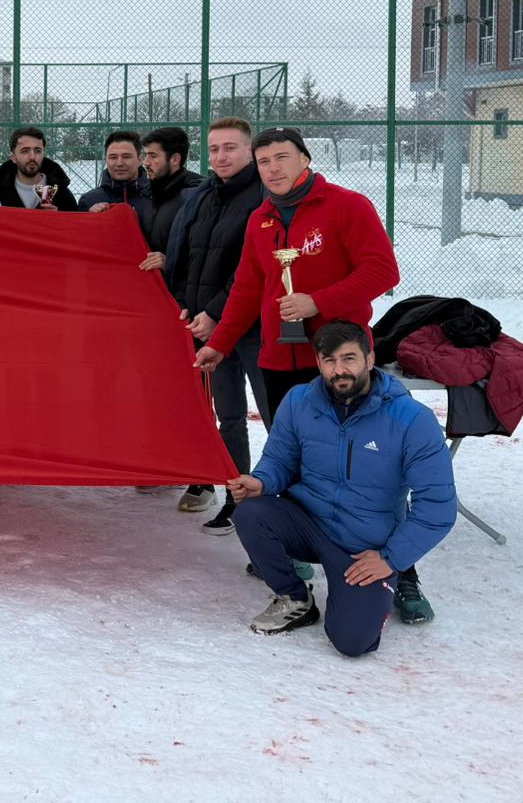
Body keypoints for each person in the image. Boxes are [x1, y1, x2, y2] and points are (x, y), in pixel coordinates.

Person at [192, 128, 428, 621]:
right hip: (282, 361)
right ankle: (301, 548)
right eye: (264, 162)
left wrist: (319, 301)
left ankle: (403, 572)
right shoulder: (260, 220)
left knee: (372, 469)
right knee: (293, 459)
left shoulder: (347, 206)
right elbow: (247, 290)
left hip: (341, 362)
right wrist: (220, 343)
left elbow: (383, 270)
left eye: (282, 158)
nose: (273, 169)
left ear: (305, 159)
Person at [225, 322, 455, 656]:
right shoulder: (299, 401)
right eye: (329, 360)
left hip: (364, 547)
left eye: (349, 358)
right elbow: (279, 460)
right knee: (250, 513)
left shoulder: (411, 419)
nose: (339, 370)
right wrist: (261, 481)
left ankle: (387, 587)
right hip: (309, 523)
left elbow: (437, 506)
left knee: (352, 642)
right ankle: (295, 598)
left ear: (370, 358)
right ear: (318, 363)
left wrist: (391, 559)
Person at [162, 117, 267, 529]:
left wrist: (216, 312)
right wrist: (187, 305)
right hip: (210, 328)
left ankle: (278, 499)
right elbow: (187, 253)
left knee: (275, 416)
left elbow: (253, 268)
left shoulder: (264, 195)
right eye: (215, 148)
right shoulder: (204, 194)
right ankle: (236, 496)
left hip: (253, 327)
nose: (221, 156)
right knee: (229, 415)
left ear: (248, 150)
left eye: (230, 148)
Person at [139, 127, 203, 257]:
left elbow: (205, 251)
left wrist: (169, 264)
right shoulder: (147, 192)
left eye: (153, 156)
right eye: (146, 155)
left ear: (175, 159)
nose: (146, 162)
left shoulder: (196, 196)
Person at [77, 130, 152, 233]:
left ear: (139, 160)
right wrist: (89, 219)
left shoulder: (158, 197)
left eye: (126, 157)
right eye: (113, 157)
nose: (119, 163)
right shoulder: (89, 200)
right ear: (106, 160)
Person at [0, 126, 79, 211]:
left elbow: (75, 224)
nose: (32, 157)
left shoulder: (61, 194)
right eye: (25, 151)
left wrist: (57, 218)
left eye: (37, 151)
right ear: (13, 157)